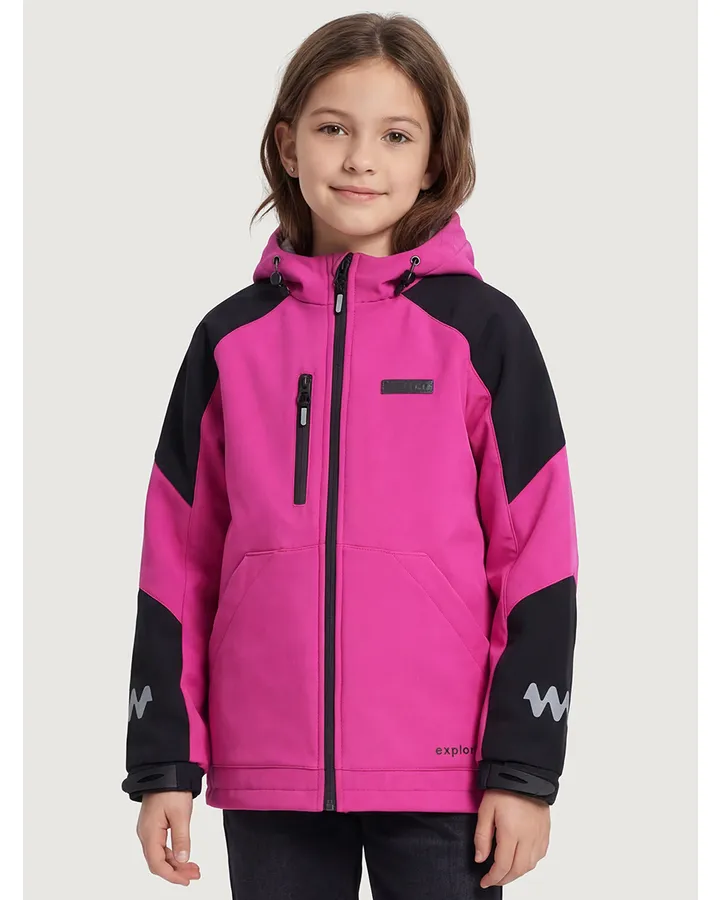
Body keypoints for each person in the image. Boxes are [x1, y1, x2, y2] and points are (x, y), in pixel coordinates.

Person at [121, 12, 579, 899]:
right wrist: (164, 759)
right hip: (270, 764)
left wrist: (524, 767)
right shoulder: (229, 341)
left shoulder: (483, 332)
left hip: (446, 775)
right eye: (334, 128)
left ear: (434, 160)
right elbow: (176, 560)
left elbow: (538, 554)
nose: (362, 159)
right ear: (287, 145)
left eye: (396, 135)